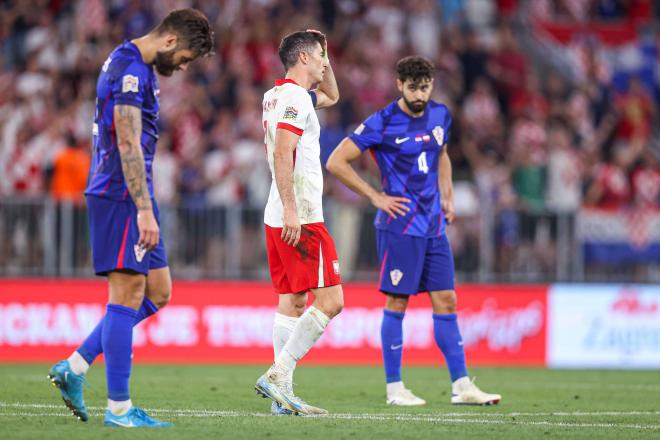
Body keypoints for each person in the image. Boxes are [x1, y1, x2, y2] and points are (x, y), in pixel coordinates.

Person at [47, 9, 214, 427]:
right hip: (120, 192)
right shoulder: (130, 70)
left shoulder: (134, 65)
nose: (184, 66)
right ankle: (119, 410)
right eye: (188, 58)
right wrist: (142, 208)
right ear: (172, 41)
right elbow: (126, 140)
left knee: (158, 290)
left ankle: (76, 365)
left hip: (134, 191)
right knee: (127, 292)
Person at [326, 56, 501, 406]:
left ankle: (462, 386)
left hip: (434, 225)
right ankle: (395, 389)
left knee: (447, 300)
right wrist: (375, 196)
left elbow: (443, 155)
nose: (419, 94)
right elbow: (335, 161)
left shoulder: (441, 116)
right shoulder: (383, 121)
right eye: (412, 87)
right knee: (398, 301)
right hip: (399, 226)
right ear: (399, 85)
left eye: (424, 87)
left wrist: (448, 195)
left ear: (432, 85)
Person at [254, 29, 342, 416]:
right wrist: (293, 209)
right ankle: (279, 374)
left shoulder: (277, 96)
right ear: (304, 58)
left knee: (292, 301)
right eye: (322, 56)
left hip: (278, 212)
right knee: (332, 301)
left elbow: (334, 96)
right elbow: (283, 150)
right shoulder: (293, 98)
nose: (326, 63)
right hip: (300, 214)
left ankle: (280, 397)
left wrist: (327, 52)